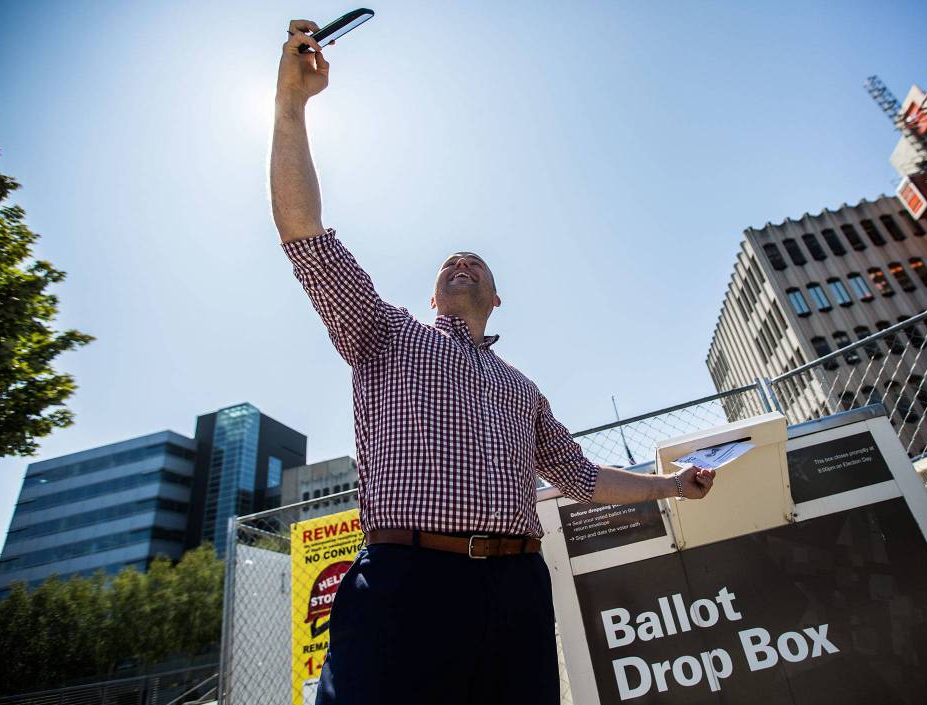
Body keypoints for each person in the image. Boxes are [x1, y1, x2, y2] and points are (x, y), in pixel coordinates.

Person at [271, 19, 717, 705]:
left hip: (516, 593)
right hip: (406, 583)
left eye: (474, 261)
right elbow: (306, 237)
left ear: (496, 296)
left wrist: (671, 485)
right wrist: (292, 107)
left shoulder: (523, 389)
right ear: (431, 293)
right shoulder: (385, 333)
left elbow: (581, 475)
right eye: (449, 262)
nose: (460, 261)